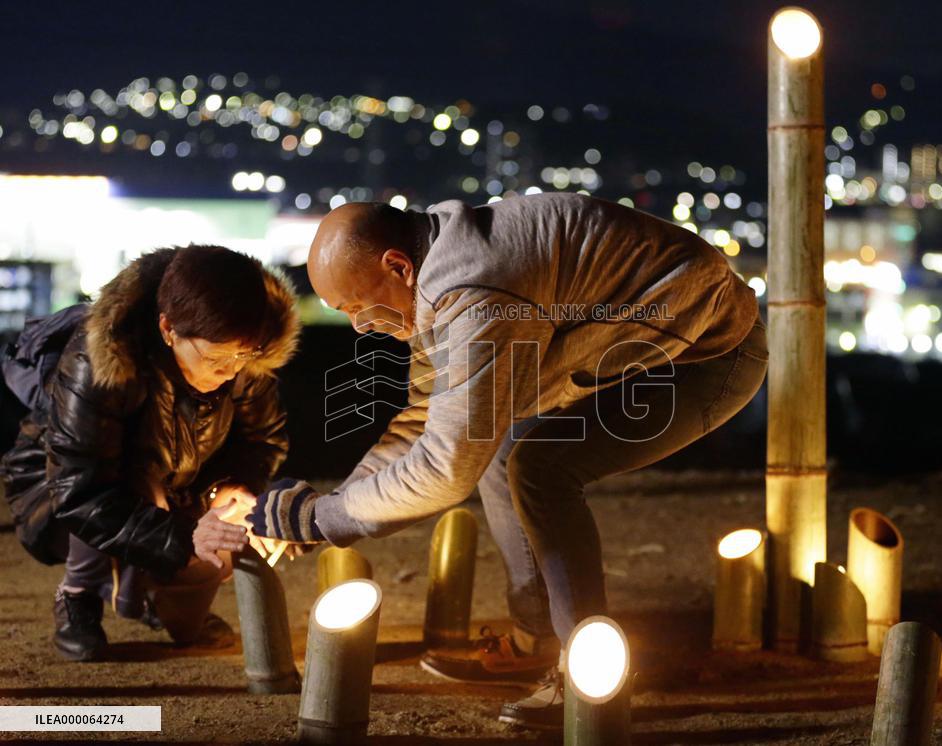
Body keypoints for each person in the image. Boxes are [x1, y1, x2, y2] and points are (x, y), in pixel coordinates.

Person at [250, 193, 767, 729]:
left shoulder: (476, 291)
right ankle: (535, 638)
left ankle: (585, 676)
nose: (359, 326)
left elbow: (446, 467)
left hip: (707, 356)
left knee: (541, 467)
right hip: (629, 350)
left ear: (397, 266)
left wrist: (322, 518)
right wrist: (331, 507)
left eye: (356, 306)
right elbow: (424, 418)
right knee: (500, 443)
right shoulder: (438, 273)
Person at [1, 245, 300, 661]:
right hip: (61, 492)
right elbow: (80, 488)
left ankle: (156, 601)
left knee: (193, 610)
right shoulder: (103, 358)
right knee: (138, 501)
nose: (231, 369)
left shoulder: (247, 352)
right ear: (168, 329)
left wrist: (233, 487)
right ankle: (78, 595)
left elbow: (263, 439)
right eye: (216, 356)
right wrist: (183, 537)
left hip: (175, 482)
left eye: (242, 355)